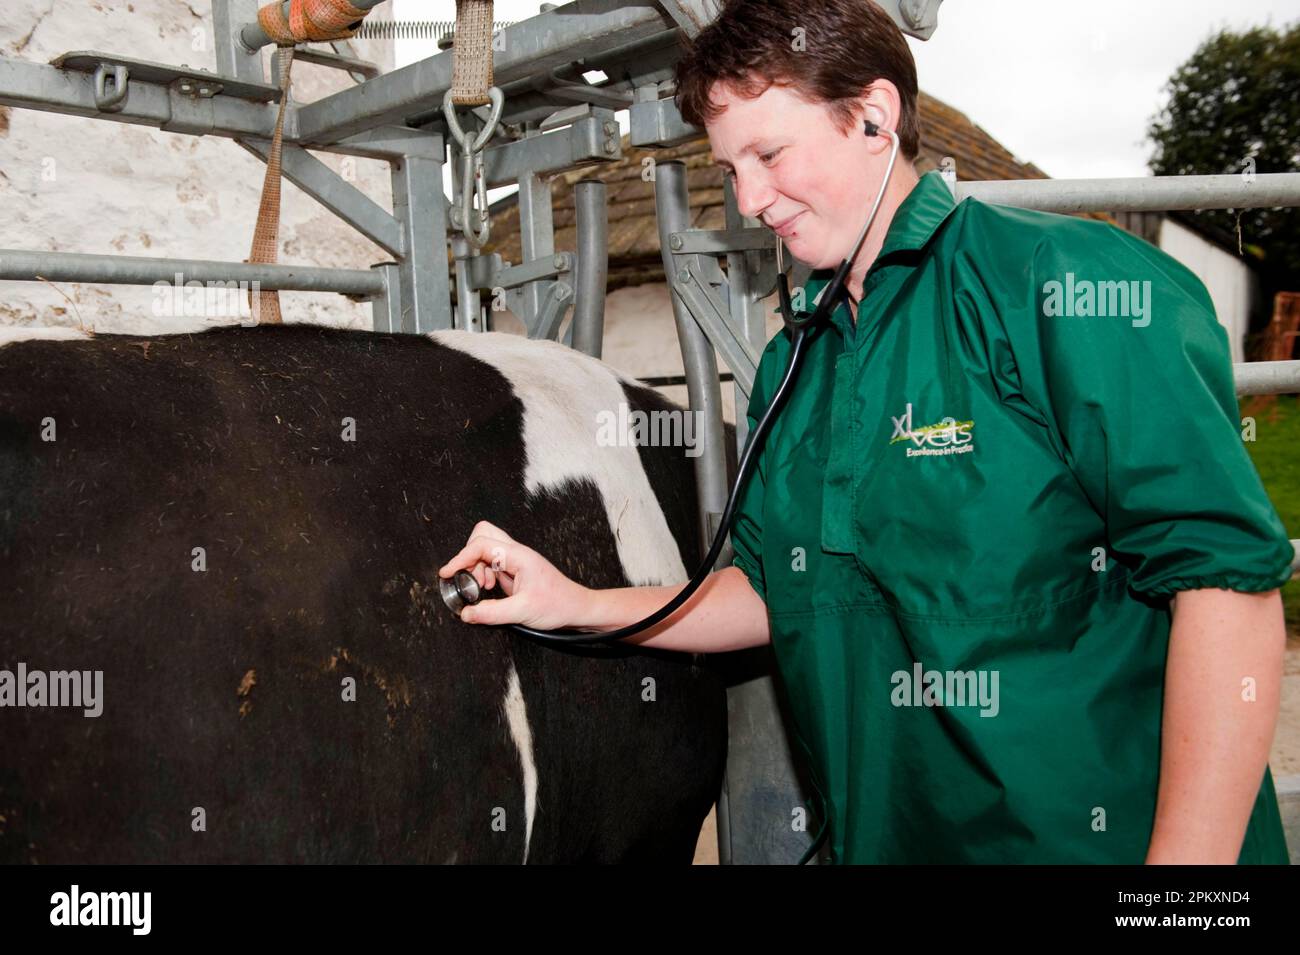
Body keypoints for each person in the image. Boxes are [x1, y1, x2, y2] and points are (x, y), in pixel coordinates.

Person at [438, 0, 1294, 864]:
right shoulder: (794, 364)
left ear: (875, 117)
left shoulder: (1059, 285)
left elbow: (1228, 587)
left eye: (770, 154)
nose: (750, 199)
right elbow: (774, 593)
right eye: (731, 168)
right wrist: (576, 603)